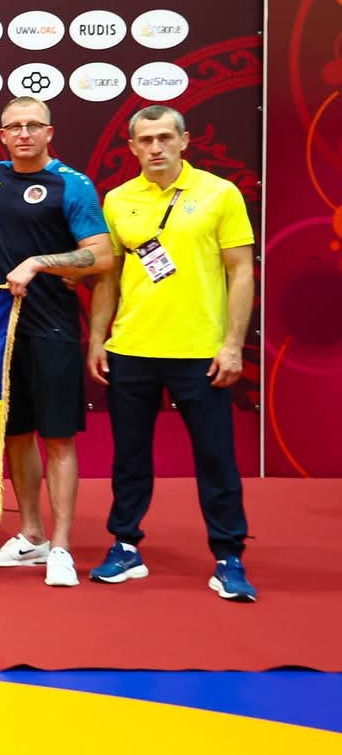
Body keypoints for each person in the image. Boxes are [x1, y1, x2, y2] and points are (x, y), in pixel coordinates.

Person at [84, 105, 257, 601]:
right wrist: (97, 339)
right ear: (132, 147)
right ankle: (125, 546)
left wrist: (232, 344)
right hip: (132, 349)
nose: (155, 147)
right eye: (145, 140)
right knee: (130, 458)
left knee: (216, 458)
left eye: (164, 137)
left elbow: (241, 271)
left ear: (184, 141)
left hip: (201, 351)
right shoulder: (118, 199)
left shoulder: (219, 193)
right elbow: (109, 276)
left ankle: (228, 556)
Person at [0, 97, 113, 588]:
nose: (24, 134)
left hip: (52, 328)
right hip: (1, 332)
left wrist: (39, 263)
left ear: (49, 132)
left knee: (57, 439)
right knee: (16, 434)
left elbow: (101, 256)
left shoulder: (72, 184)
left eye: (33, 125)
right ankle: (31, 535)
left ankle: (61, 547)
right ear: (2, 135)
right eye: (14, 127)